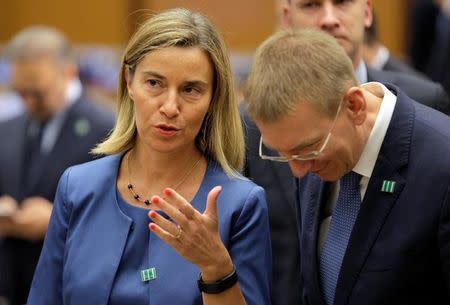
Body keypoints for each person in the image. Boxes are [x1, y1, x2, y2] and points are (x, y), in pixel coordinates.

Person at [26, 8, 271, 305]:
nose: (170, 106)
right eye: (154, 83)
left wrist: (217, 269)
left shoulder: (239, 204)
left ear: (213, 98)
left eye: (190, 89)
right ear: (129, 82)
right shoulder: (77, 187)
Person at [242, 2, 450, 304]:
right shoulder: (314, 146)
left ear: (354, 106)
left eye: (305, 150)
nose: (297, 171)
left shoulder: (442, 166)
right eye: (284, 154)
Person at [0, 26, 115, 305]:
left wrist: (56, 220)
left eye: (37, 93)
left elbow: (117, 215)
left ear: (68, 72)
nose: (27, 102)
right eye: (20, 92)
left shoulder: (107, 131)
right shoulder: (8, 127)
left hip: (69, 286)